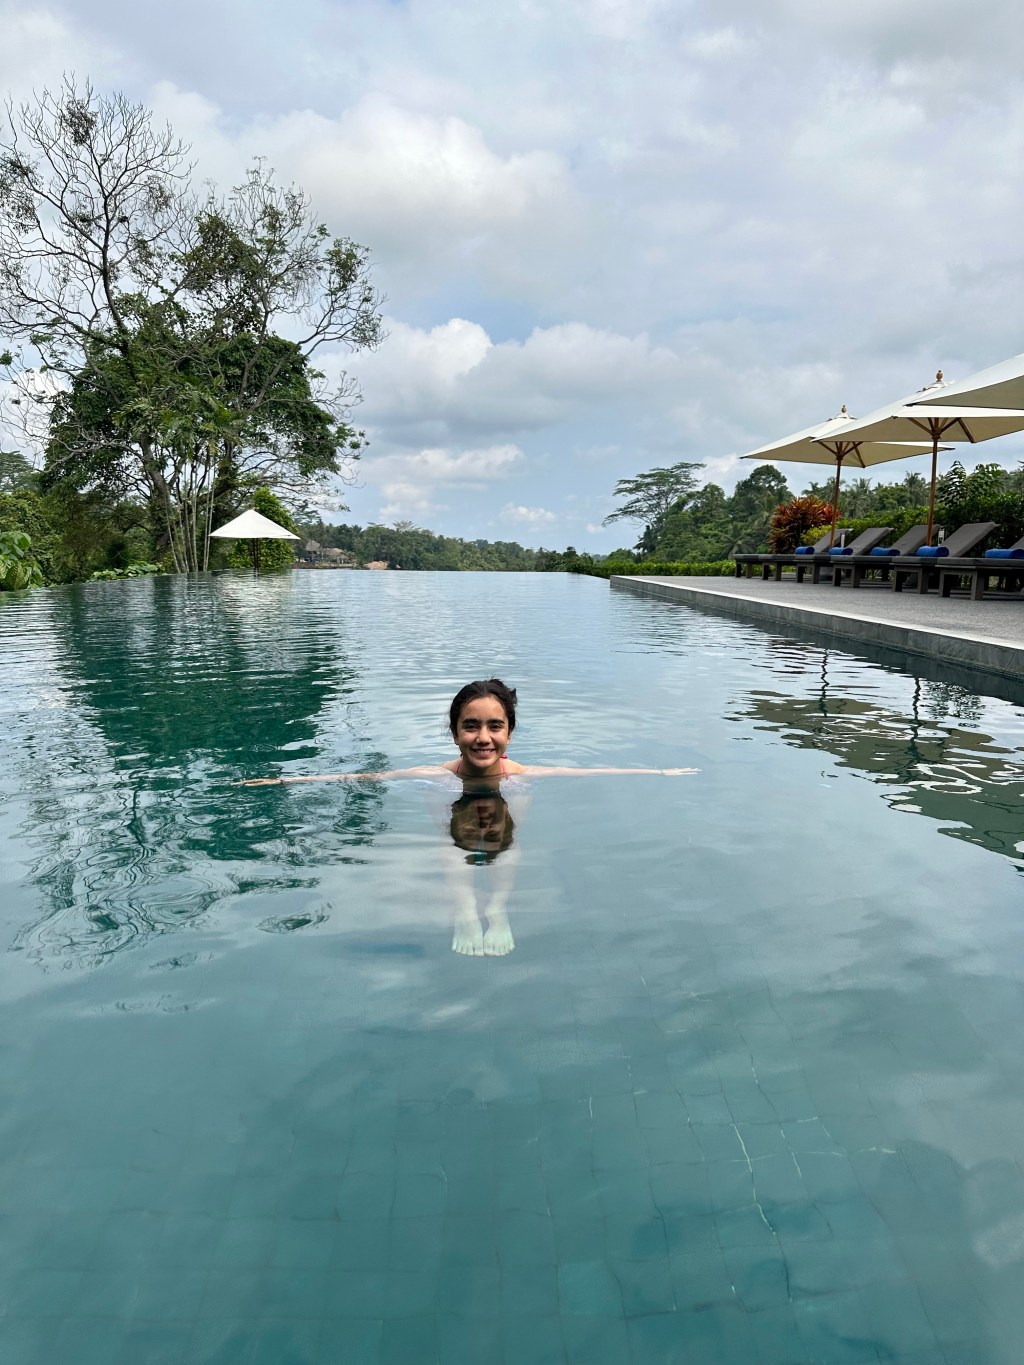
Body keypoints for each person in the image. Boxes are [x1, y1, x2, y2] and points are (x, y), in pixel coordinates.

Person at [239, 678, 698, 785]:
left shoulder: (522, 773)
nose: (483, 737)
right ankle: (465, 908)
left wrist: (658, 773)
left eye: (495, 726)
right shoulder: (439, 775)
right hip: (457, 802)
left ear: (510, 733)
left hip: (506, 800)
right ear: (455, 733)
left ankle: (496, 908)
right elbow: (370, 779)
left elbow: (592, 772)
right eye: (471, 726)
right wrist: (286, 779)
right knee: (455, 837)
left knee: (505, 838)